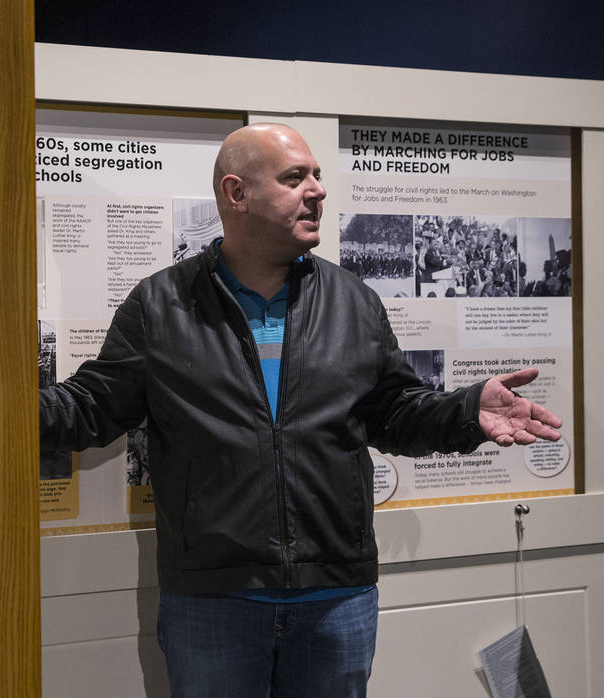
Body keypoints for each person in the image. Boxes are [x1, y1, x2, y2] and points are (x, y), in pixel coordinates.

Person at [38, 123, 562, 697]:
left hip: (336, 599)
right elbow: (90, 407)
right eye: (295, 178)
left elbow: (394, 413)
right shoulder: (161, 305)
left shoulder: (353, 301)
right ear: (237, 193)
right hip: (213, 600)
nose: (317, 190)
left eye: (316, 175)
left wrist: (466, 410)